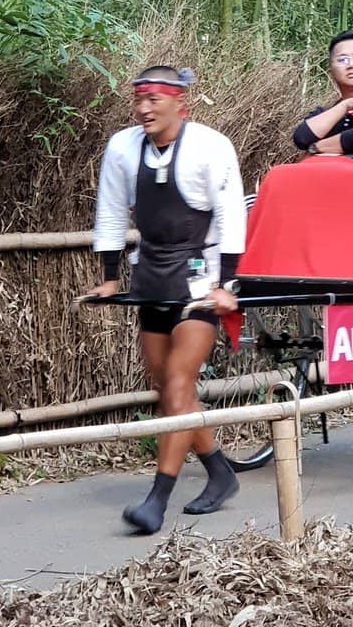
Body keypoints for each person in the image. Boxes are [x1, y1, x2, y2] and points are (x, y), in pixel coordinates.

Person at [89, 65, 246, 534]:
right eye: (138, 99)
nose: (143, 108)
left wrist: (228, 285)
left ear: (181, 103)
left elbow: (232, 215)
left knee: (179, 381)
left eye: (154, 100)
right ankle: (219, 471)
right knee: (165, 386)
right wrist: (111, 276)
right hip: (153, 276)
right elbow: (112, 209)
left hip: (202, 278)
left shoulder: (210, 147)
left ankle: (157, 499)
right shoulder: (122, 148)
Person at [291, 30, 353, 160]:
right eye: (342, 60)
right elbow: (301, 138)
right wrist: (345, 106)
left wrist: (316, 147)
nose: (351, 65)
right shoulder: (325, 112)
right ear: (331, 70)